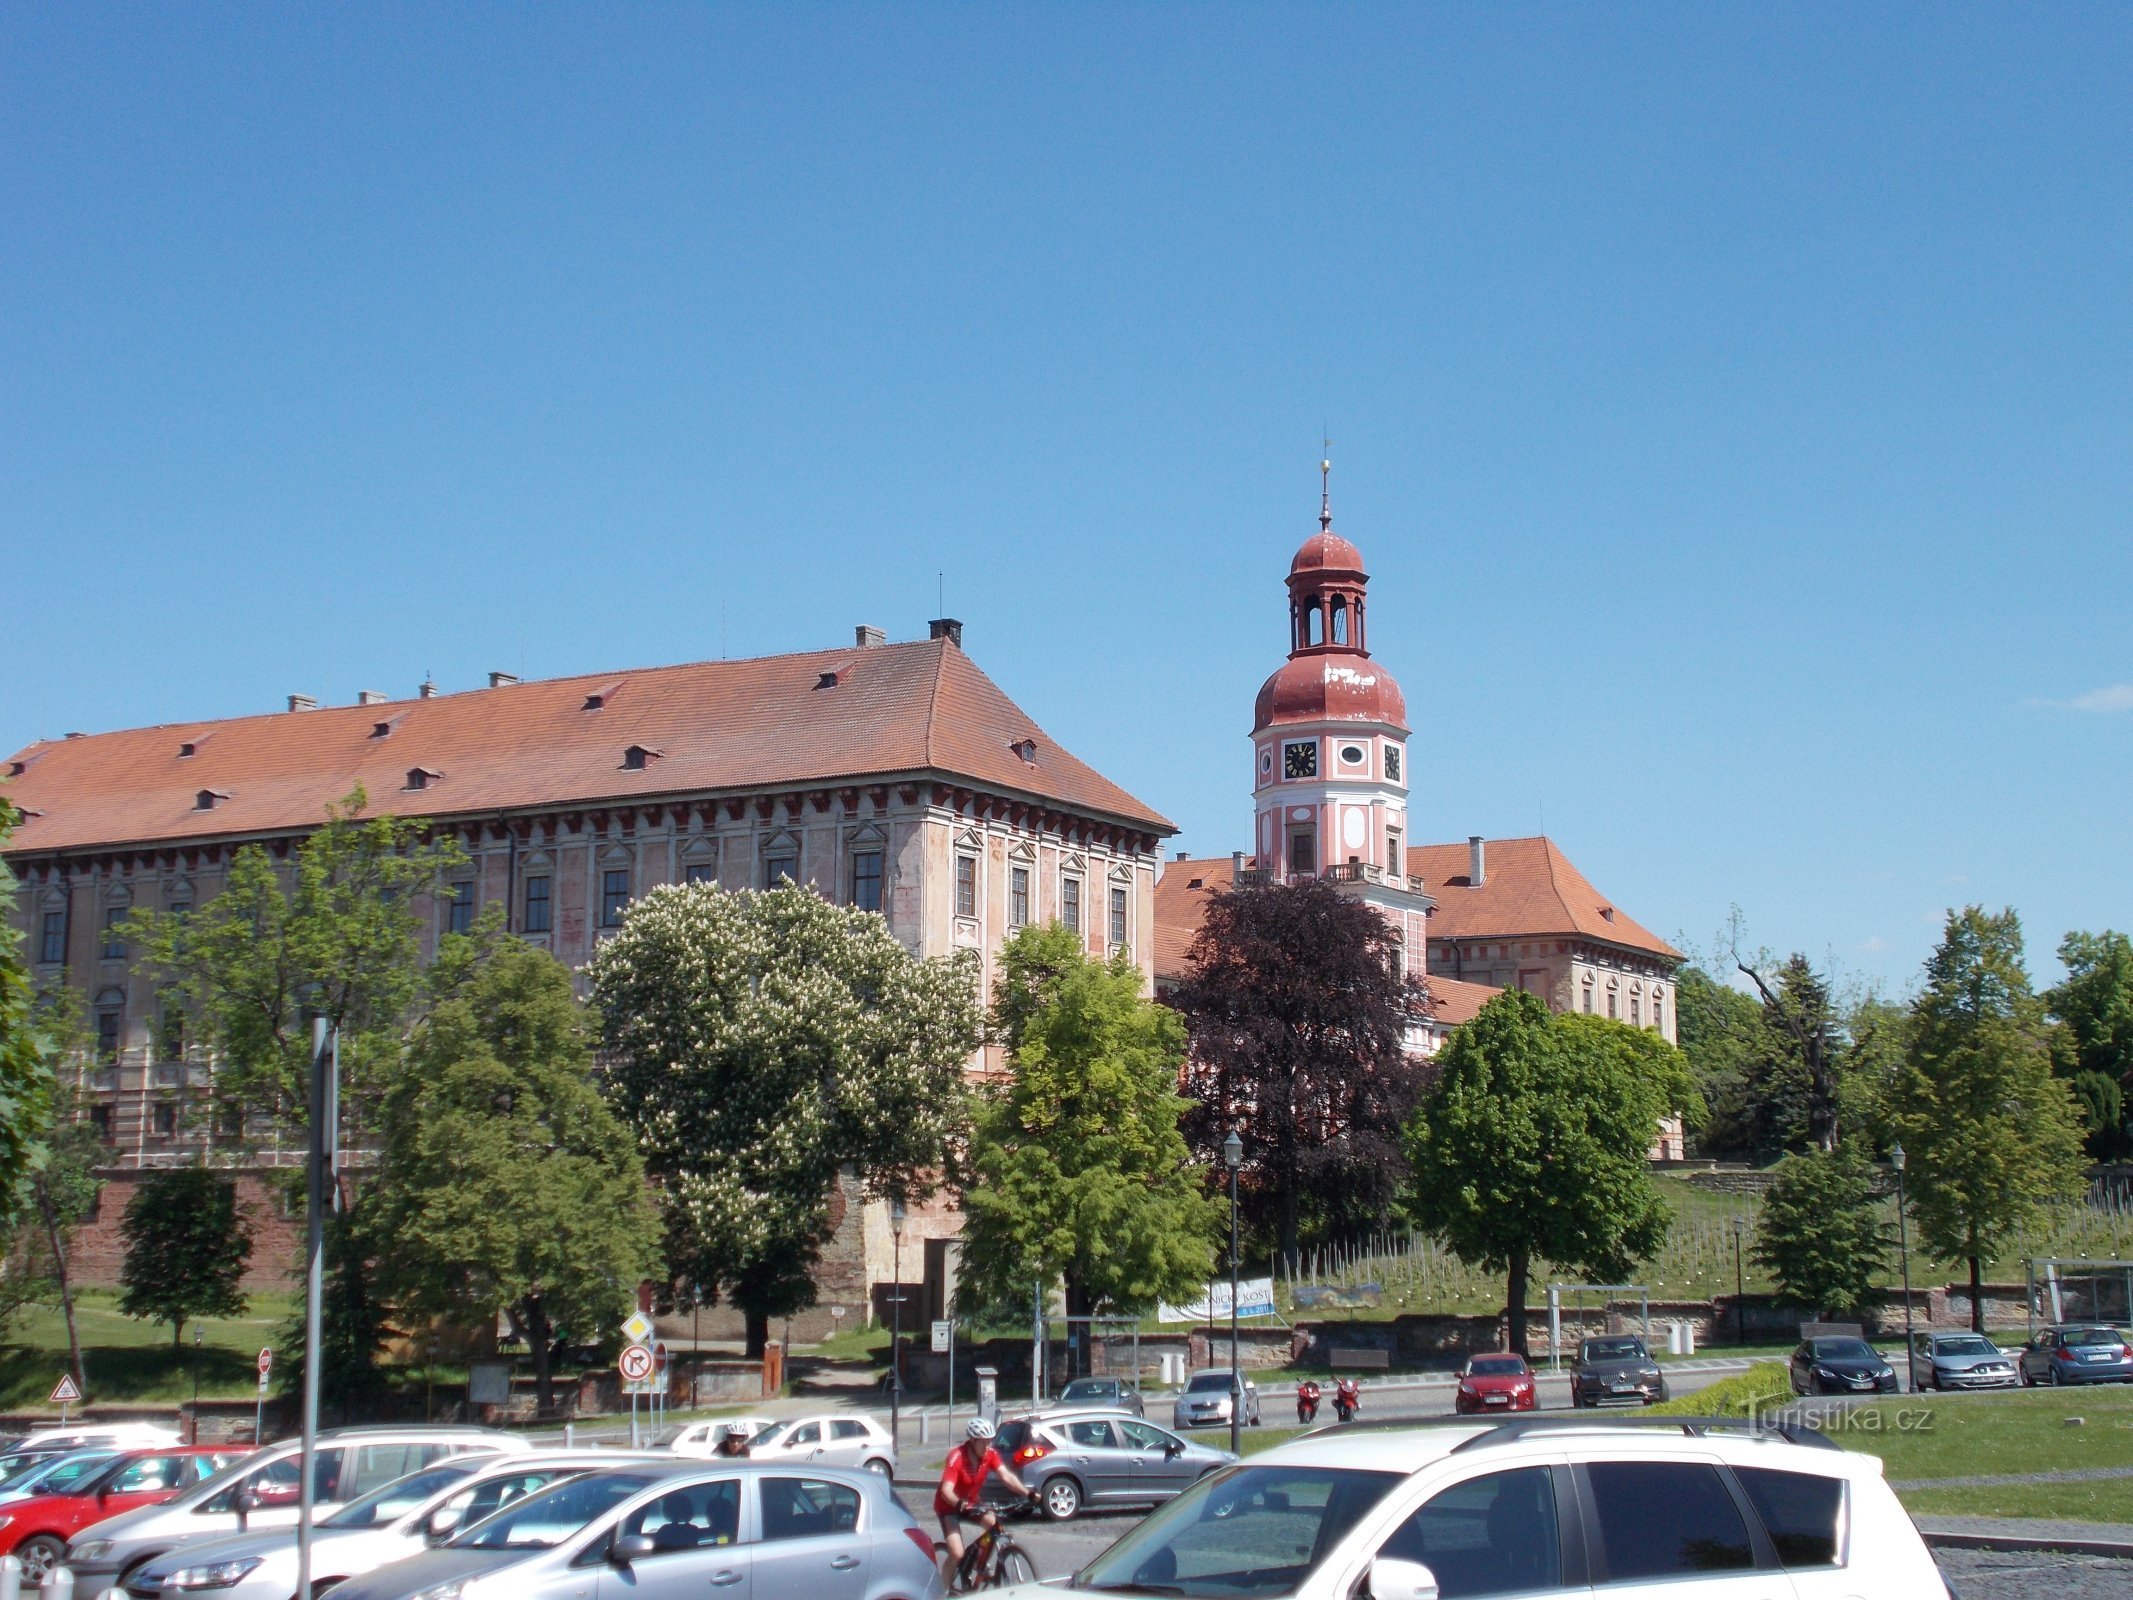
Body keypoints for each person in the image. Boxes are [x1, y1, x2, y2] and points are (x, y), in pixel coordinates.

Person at [934, 1418, 1030, 1579]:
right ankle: (942, 1592)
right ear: (972, 1440)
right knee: (957, 1553)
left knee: (995, 1525)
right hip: (949, 1506)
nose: (988, 1447)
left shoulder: (990, 1455)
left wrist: (1028, 1493)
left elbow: (1006, 1476)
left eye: (989, 1442)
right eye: (983, 1443)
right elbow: (946, 1490)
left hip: (971, 1502)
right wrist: (958, 1503)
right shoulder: (956, 1456)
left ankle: (980, 1563)